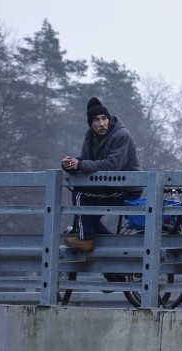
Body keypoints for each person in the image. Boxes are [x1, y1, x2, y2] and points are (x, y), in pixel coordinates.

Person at [61, 97, 142, 251]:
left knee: (80, 195)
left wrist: (81, 164)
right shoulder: (90, 136)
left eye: (104, 118)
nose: (101, 123)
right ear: (91, 124)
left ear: (109, 118)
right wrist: (70, 164)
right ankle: (114, 264)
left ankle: (86, 239)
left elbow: (112, 165)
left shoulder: (121, 135)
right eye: (96, 120)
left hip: (126, 189)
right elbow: (85, 160)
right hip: (108, 185)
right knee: (89, 221)